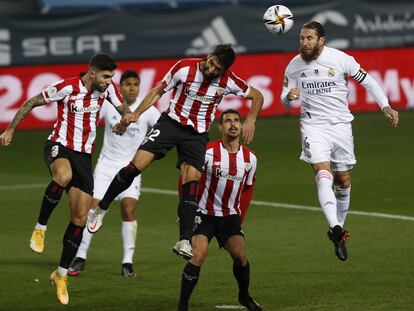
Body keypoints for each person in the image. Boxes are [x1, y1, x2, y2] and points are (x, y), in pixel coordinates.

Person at [86, 44, 264, 260]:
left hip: (196, 135)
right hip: (171, 123)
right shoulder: (184, 68)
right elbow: (158, 91)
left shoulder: (229, 81)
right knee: (135, 167)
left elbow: (257, 95)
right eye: (212, 62)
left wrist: (251, 119)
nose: (211, 69)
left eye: (217, 68)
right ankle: (101, 208)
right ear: (209, 56)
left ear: (224, 70)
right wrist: (137, 114)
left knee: (192, 183)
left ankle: (184, 240)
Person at [0, 53, 131, 304]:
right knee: (63, 175)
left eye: (111, 77)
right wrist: (10, 128)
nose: (109, 81)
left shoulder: (107, 90)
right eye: (106, 76)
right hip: (58, 145)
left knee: (80, 220)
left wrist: (126, 117)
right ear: (92, 73)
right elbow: (32, 102)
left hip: (84, 156)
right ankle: (40, 229)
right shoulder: (66, 87)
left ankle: (60, 274)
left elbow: (122, 106)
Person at [280, 21, 399, 261]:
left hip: (341, 126)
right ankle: (335, 225)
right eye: (302, 38)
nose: (304, 43)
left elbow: (368, 81)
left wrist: (385, 106)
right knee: (322, 172)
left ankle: (337, 231)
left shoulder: (340, 58)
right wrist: (288, 97)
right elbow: (285, 96)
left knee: (343, 180)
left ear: (321, 40)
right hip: (313, 126)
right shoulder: (293, 65)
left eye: (309, 38)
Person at [68, 70, 160, 277]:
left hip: (130, 168)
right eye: (127, 84)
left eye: (135, 84)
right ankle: (80, 256)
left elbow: (163, 130)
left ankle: (127, 262)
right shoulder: (109, 105)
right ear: (120, 87)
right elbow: (89, 116)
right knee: (92, 209)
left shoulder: (148, 111)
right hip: (106, 166)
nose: (132, 88)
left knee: (128, 209)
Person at [176, 109, 261, 311]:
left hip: (230, 216)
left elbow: (248, 189)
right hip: (203, 214)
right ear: (220, 127)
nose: (233, 124)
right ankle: (182, 306)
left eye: (237, 121)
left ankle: (244, 296)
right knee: (198, 256)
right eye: (228, 121)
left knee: (240, 257)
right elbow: (186, 179)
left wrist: (241, 217)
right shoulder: (207, 151)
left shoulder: (250, 159)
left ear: (241, 126)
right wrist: (185, 211)